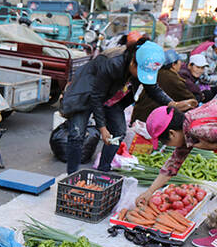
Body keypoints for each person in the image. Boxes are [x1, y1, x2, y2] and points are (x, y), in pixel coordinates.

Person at [60, 38, 196, 175]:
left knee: (118, 133)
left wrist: (173, 104)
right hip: (87, 93)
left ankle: (103, 170)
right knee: (77, 134)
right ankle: (72, 175)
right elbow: (96, 97)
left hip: (113, 97)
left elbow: (153, 89)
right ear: (133, 63)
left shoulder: (143, 64)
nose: (142, 77)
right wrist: (102, 128)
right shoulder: (112, 63)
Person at [136, 103, 217, 247]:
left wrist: (210, 147)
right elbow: (172, 165)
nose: (168, 145)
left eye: (164, 141)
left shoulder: (198, 130)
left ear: (172, 133)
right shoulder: (188, 127)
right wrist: (149, 191)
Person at [131, 49, 195, 124]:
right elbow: (191, 99)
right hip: (148, 122)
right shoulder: (172, 78)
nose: (181, 63)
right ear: (173, 65)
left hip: (138, 118)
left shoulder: (156, 73)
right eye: (179, 61)